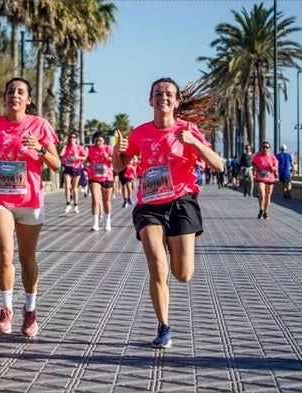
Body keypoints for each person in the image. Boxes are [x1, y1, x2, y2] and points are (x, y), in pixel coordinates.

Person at [113, 77, 224, 349]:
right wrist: (117, 151)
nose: (163, 97)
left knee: (183, 274)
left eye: (169, 93)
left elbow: (219, 165)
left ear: (176, 101)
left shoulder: (188, 129)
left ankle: (177, 248)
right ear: (150, 100)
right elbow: (118, 167)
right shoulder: (139, 133)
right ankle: (164, 326)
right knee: (157, 266)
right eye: (158, 93)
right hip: (149, 205)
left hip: (181, 203)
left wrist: (195, 144)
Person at [0, 77, 60, 338]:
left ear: (28, 100)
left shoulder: (40, 125)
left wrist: (39, 148)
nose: (14, 95)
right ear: (4, 98)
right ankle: (6, 308)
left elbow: (55, 163)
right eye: (10, 92)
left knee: (27, 258)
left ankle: (30, 310)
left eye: (20, 92)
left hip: (30, 200)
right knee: (5, 253)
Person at [86, 131, 115, 231]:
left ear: (104, 141)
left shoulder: (109, 148)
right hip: (94, 178)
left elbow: (115, 161)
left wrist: (107, 157)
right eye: (95, 141)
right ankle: (95, 223)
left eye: (99, 141)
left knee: (106, 201)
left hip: (107, 177)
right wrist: (86, 162)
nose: (97, 143)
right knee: (95, 199)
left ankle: (108, 222)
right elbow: (88, 160)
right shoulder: (90, 149)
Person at [59, 132, 86, 214]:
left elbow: (85, 157)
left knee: (74, 188)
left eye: (74, 137)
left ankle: (76, 205)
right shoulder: (66, 147)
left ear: (76, 138)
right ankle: (68, 204)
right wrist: (64, 146)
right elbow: (61, 154)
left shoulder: (79, 147)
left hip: (76, 168)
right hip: (67, 168)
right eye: (70, 137)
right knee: (67, 186)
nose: (72, 139)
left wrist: (78, 158)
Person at [252, 141, 278, 219]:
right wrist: (256, 168)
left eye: (267, 147)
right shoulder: (258, 155)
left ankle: (266, 212)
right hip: (260, 178)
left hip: (270, 178)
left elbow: (275, 169)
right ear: (261, 148)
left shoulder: (273, 157)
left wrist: (271, 166)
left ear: (269, 149)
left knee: (268, 196)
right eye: (263, 147)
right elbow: (253, 163)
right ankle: (261, 209)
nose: (265, 148)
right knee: (262, 194)